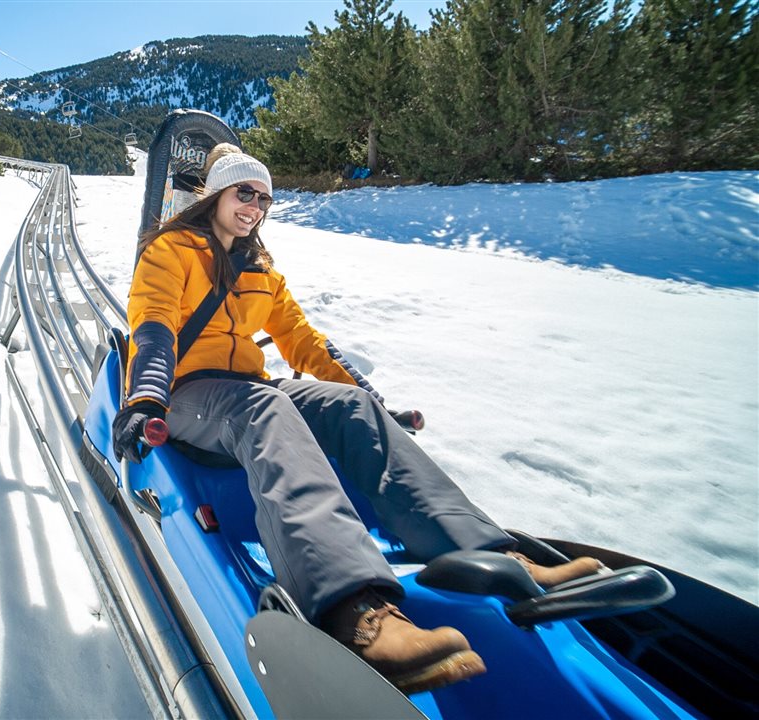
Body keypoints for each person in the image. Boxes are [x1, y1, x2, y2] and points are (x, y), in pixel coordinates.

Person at [112, 149, 604, 694]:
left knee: (350, 409)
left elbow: (303, 341)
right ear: (215, 196)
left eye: (264, 197)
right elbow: (153, 326)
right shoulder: (172, 250)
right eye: (243, 193)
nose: (254, 206)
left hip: (245, 389)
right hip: (185, 394)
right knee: (267, 406)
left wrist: (372, 399)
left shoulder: (261, 271)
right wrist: (147, 398)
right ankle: (352, 611)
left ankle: (485, 553)